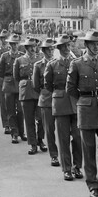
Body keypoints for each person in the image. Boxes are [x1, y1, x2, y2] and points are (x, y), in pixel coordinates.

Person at [66, 29, 98, 197]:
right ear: (86, 45)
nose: (97, 46)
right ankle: (93, 185)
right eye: (93, 44)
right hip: (86, 109)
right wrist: (84, 101)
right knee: (89, 150)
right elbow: (70, 88)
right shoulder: (77, 64)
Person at [45, 34, 83, 181]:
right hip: (60, 104)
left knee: (78, 137)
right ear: (59, 48)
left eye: (69, 46)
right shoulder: (52, 64)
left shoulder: (77, 62)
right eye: (64, 46)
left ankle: (77, 167)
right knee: (63, 138)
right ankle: (67, 169)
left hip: (75, 103)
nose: (67, 48)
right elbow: (48, 85)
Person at [14, 37, 46, 155]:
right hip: (26, 92)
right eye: (31, 47)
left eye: (35, 46)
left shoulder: (41, 59)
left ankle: (40, 140)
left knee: (41, 118)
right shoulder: (19, 60)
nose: (33, 48)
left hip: (38, 92)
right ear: (26, 48)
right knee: (29, 119)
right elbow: (16, 77)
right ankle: (32, 144)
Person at [33, 38, 60, 167]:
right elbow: (35, 85)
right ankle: (54, 155)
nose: (51, 51)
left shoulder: (58, 63)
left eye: (52, 49)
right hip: (46, 100)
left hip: (60, 99)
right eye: (48, 49)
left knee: (63, 130)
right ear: (43, 51)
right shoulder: (38, 65)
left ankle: (67, 156)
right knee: (49, 130)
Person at [0, 34, 26, 144]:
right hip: (8, 85)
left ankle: (21, 132)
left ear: (19, 44)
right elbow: (0, 72)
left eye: (16, 43)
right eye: (12, 44)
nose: (14, 46)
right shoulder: (4, 56)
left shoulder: (22, 56)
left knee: (21, 110)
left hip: (19, 85)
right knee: (10, 110)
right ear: (9, 45)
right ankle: (14, 134)